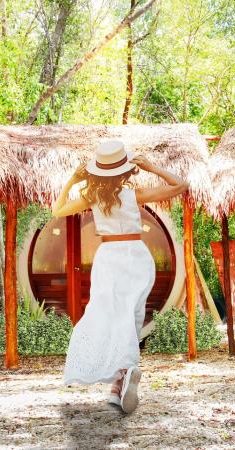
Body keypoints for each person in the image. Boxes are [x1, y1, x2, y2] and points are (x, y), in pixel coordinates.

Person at [52, 140, 189, 413]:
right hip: (137, 255)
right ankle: (121, 379)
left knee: (108, 316)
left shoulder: (92, 198)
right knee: (131, 316)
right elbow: (181, 185)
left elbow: (58, 210)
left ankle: (121, 379)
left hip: (109, 257)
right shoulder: (134, 194)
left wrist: (73, 180)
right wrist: (153, 168)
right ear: (125, 171)